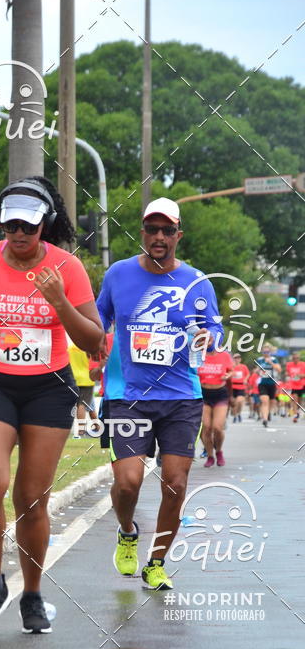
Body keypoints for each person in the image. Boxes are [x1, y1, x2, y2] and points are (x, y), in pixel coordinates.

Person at [0, 176, 103, 633]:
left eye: (28, 228)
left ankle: (31, 593)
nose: (17, 235)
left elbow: (93, 339)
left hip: (49, 386)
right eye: (10, 226)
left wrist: (60, 303)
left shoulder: (67, 268)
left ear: (44, 226)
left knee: (32, 500)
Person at [96, 197, 222, 591]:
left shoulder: (197, 281)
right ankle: (127, 530)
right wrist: (96, 337)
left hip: (182, 396)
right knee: (129, 482)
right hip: (128, 394)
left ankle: (157, 561)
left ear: (178, 235)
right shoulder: (118, 274)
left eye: (168, 230)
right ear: (142, 233)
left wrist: (207, 336)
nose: (159, 236)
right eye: (152, 229)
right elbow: (98, 318)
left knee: (176, 483)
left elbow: (215, 331)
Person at [197, 349, 234, 467]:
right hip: (203, 393)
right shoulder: (198, 354)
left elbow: (231, 371)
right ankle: (210, 456)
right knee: (206, 427)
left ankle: (218, 452)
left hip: (220, 393)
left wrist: (229, 375)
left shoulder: (224, 355)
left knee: (217, 427)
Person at [68, 340, 97, 436]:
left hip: (73, 379)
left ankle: (97, 428)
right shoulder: (89, 349)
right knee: (82, 405)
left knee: (79, 405)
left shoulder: (70, 348)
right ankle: (81, 431)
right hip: (87, 379)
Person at [254, 344, 281, 428]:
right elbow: (256, 371)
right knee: (265, 401)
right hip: (262, 383)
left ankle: (268, 413)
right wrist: (258, 370)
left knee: (272, 402)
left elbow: (279, 369)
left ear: (270, 352)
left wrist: (271, 363)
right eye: (264, 352)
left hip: (272, 383)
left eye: (267, 352)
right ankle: (265, 419)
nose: (266, 353)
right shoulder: (259, 360)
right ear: (262, 352)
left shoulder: (274, 359)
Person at [230, 353, 249, 423]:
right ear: (233, 359)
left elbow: (248, 374)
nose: (237, 359)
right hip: (232, 386)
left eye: (238, 358)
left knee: (239, 402)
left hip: (241, 386)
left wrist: (245, 379)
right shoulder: (231, 366)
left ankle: (239, 413)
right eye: (235, 358)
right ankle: (235, 416)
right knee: (234, 403)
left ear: (240, 359)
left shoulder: (243, 367)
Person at [286, 352, 305, 422]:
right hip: (293, 385)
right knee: (294, 399)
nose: (295, 359)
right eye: (294, 358)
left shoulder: (303, 364)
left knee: (299, 401)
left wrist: (300, 376)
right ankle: (295, 415)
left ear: (299, 358)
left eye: (297, 358)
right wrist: (287, 375)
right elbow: (287, 373)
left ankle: (298, 411)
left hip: (302, 385)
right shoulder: (289, 364)